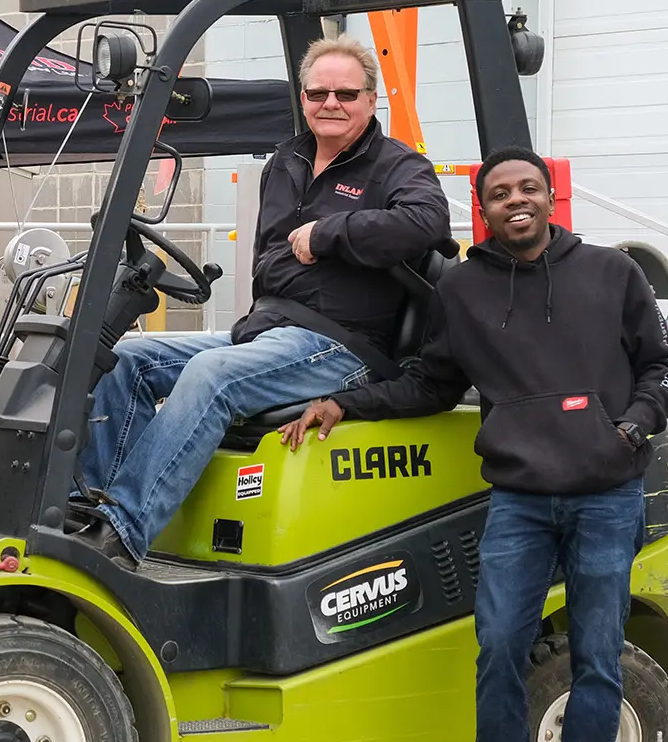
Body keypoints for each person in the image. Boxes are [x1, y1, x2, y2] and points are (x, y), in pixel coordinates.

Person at [279, 146, 668, 742]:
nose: (516, 200)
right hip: (521, 501)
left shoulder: (611, 274)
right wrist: (345, 402)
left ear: (550, 196)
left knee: (597, 657)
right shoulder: (463, 290)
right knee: (498, 649)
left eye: (529, 187)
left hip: (605, 496)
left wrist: (631, 426)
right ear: (484, 208)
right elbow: (431, 383)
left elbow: (666, 365)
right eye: (500, 193)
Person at [69, 36, 456, 564]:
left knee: (212, 374)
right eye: (319, 94)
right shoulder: (288, 160)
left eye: (346, 93)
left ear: (371, 99)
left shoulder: (397, 167)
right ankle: (93, 507)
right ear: (303, 98)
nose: (331, 104)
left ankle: (120, 533)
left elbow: (426, 223)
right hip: (269, 330)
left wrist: (329, 233)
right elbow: (268, 256)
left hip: (340, 345)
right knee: (122, 359)